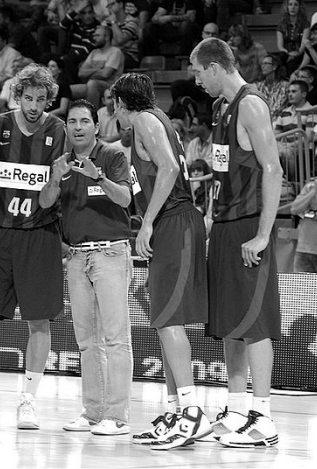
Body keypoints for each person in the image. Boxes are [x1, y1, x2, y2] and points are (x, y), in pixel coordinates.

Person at [190, 37, 283, 448]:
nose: (195, 80)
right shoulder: (220, 110)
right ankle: (236, 408)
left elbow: (273, 169)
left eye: (197, 71)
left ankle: (263, 417)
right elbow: (224, 172)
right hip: (225, 224)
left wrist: (263, 234)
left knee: (255, 321)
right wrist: (212, 215)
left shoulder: (251, 104)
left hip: (249, 226)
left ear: (214, 67)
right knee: (229, 321)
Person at [0, 63, 66, 431]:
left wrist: (53, 185)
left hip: (40, 234)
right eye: (28, 98)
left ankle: (28, 401)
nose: (35, 105)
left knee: (39, 321)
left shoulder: (58, 130)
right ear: (17, 96)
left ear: (48, 99)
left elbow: (55, 189)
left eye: (41, 99)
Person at [111, 73, 209, 450]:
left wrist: (147, 223)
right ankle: (174, 411)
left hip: (175, 220)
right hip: (172, 220)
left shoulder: (147, 121)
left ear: (121, 103)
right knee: (165, 320)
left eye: (113, 106)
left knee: (169, 319)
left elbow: (168, 169)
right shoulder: (149, 122)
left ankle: (191, 411)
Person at [39, 99, 134, 435]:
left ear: (96, 126)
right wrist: (54, 179)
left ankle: (118, 416)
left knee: (115, 339)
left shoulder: (112, 156)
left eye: (84, 121)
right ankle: (92, 412)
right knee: (86, 341)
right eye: (72, 122)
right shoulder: (62, 162)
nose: (78, 127)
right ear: (66, 127)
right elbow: (45, 202)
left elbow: (125, 199)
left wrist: (99, 177)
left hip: (110, 253)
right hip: (77, 258)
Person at [77, 25, 124, 109]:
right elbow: (81, 73)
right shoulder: (94, 52)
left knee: (92, 84)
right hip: (90, 84)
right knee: (68, 89)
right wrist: (98, 69)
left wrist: (89, 73)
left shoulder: (115, 51)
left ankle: (91, 114)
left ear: (106, 37)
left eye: (97, 35)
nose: (94, 38)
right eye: (94, 35)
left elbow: (105, 74)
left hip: (112, 86)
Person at [276, 0, 310, 75]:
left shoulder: (305, 24)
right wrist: (289, 54)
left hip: (300, 53)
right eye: (290, 4)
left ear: (300, 7)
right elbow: (280, 46)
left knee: (292, 63)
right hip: (286, 52)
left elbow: (304, 44)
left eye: (296, 5)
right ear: (286, 7)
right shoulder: (281, 24)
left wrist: (297, 53)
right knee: (281, 57)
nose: (293, 7)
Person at [254, 54, 290, 120]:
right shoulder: (257, 86)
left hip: (279, 121)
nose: (262, 66)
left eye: (266, 63)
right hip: (260, 120)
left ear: (274, 66)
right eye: (262, 64)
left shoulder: (286, 86)